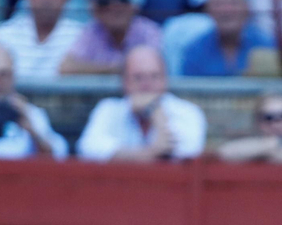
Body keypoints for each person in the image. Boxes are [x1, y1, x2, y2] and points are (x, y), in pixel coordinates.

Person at [77, 45, 208, 162]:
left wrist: (157, 113)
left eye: (154, 76)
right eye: (138, 77)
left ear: (165, 80)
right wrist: (149, 153)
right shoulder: (109, 109)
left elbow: (189, 152)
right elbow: (87, 148)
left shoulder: (188, 112)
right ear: (125, 82)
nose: (146, 85)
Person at [59, 0, 161, 75]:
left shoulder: (148, 31)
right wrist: (112, 69)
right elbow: (66, 68)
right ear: (96, 11)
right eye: (106, 1)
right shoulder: (93, 31)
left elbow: (158, 69)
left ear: (133, 7)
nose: (115, 6)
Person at [175, 0, 276, 76]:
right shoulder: (195, 51)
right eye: (219, 4)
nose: (226, 10)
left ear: (246, 7)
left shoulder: (267, 45)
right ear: (208, 10)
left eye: (233, 2)